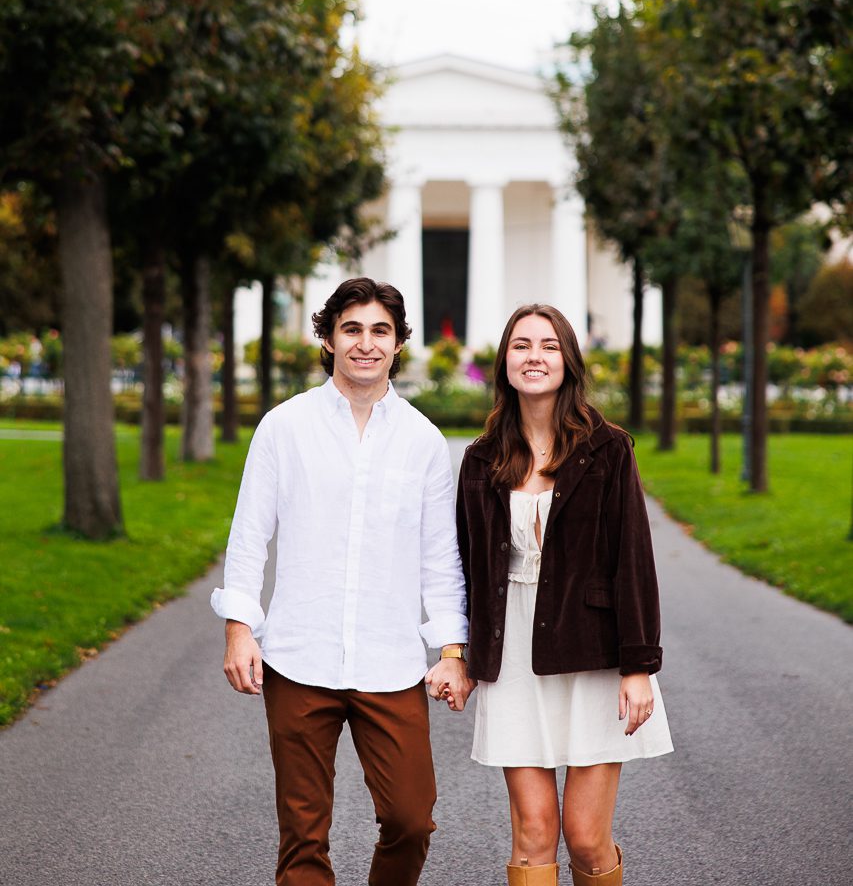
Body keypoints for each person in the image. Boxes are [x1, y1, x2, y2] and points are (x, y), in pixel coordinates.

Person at [211, 277, 474, 886]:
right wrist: (238, 629)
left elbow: (441, 560)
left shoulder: (424, 442)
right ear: (328, 339)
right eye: (351, 329)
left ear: (399, 343)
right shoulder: (283, 427)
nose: (365, 343)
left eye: (380, 330)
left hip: (391, 663)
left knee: (411, 821)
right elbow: (250, 536)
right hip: (299, 659)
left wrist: (452, 651)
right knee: (303, 838)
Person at [453, 303, 673, 886]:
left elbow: (634, 560)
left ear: (568, 361)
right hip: (513, 658)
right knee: (532, 833)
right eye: (521, 345)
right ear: (504, 362)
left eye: (548, 345)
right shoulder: (481, 459)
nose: (534, 356)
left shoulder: (608, 449)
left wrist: (638, 667)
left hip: (592, 652)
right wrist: (460, 654)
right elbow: (465, 567)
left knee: (585, 837)